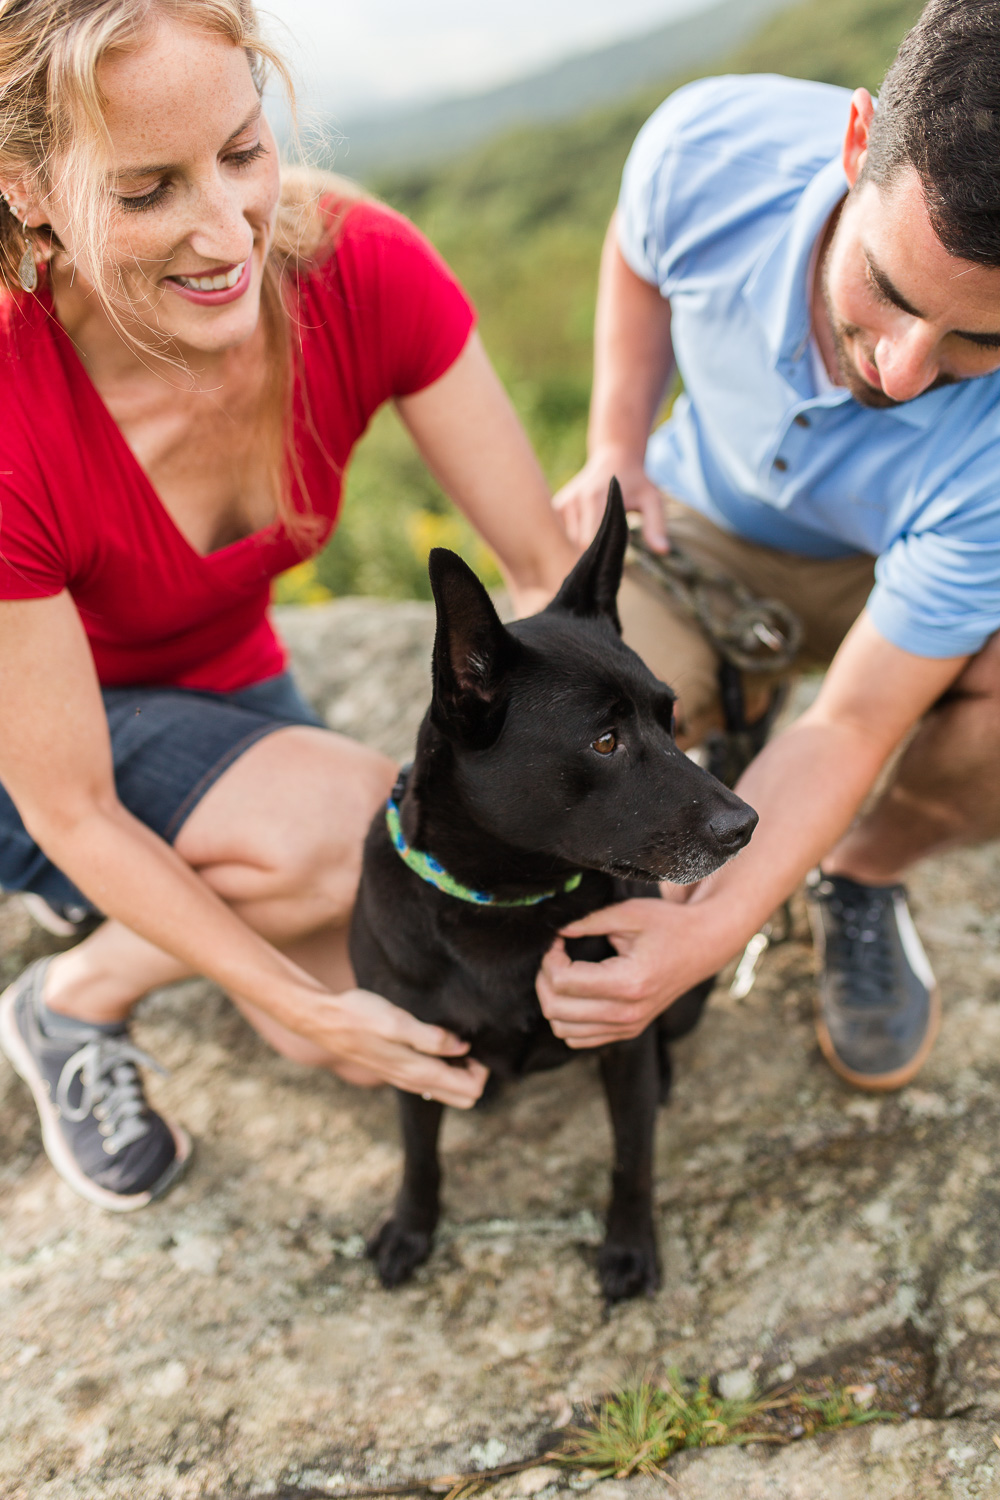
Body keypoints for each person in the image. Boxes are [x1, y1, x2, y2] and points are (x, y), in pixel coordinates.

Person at [0, 0, 579, 1211]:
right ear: (29, 186)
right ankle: (69, 1001)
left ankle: (200, 884)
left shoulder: (359, 268)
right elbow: (77, 805)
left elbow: (537, 564)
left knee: (396, 1030)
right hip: (35, 761)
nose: (226, 233)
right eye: (148, 188)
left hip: (212, 685)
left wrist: (614, 822)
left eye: (243, 152)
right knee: (356, 833)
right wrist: (284, 985)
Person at [538, 0, 1000, 1093]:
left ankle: (859, 872)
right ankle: (722, 741)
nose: (898, 370)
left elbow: (849, 721)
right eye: (885, 292)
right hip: (695, 525)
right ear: (855, 145)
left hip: (898, 570)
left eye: (980, 337)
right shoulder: (710, 149)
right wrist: (615, 437)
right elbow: (635, 250)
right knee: (555, 722)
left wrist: (715, 933)